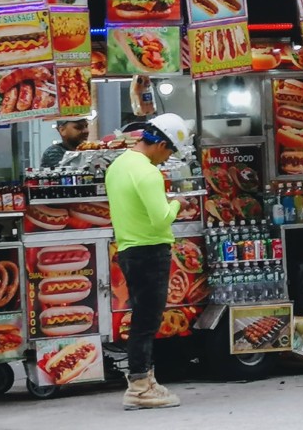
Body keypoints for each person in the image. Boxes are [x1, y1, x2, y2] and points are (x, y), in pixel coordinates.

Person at [105, 113, 192, 409]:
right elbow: (160, 220)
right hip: (151, 250)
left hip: (128, 248)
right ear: (160, 144)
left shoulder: (119, 165)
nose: (167, 158)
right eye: (169, 151)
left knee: (142, 317)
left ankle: (145, 380)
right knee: (147, 321)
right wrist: (179, 202)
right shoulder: (148, 173)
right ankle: (140, 387)